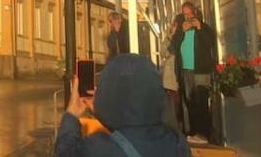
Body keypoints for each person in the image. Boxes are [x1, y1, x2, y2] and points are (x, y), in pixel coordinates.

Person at [56, 53, 191, 156]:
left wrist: (71, 114)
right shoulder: (178, 144)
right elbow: (132, 131)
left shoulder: (97, 148)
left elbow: (65, 152)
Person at [169, 2, 217, 145]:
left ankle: (204, 133)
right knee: (190, 103)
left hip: (200, 70)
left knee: (201, 101)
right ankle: (193, 132)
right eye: (185, 14)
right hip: (186, 70)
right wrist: (180, 32)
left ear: (195, 13)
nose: (188, 17)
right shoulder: (181, 29)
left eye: (190, 13)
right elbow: (173, 47)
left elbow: (210, 43)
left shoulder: (203, 27)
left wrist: (199, 27)